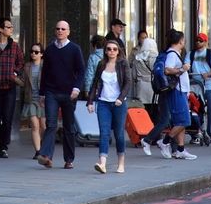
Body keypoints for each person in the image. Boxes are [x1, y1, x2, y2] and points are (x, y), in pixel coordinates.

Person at [37, 20, 85, 169]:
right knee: (50, 124)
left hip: (69, 93)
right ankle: (46, 156)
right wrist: (42, 93)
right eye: (57, 28)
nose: (60, 31)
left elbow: (81, 71)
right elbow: (44, 73)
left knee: (68, 127)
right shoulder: (50, 49)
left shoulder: (75, 49)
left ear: (68, 32)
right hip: (51, 92)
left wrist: (77, 88)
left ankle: (69, 159)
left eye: (63, 29)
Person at [88, 40, 131, 174]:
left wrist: (120, 98)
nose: (111, 51)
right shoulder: (101, 64)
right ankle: (102, 163)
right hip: (103, 103)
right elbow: (95, 83)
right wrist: (90, 101)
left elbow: (128, 83)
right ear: (105, 51)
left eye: (114, 49)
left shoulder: (123, 64)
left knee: (118, 134)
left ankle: (121, 163)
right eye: (109, 49)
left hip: (119, 104)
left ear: (118, 51)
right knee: (104, 133)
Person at [0, 17, 24, 158]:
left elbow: (21, 63)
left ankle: (3, 146)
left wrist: (14, 73)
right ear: (1, 29)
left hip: (10, 88)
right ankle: (0, 139)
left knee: (7, 119)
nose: (11, 29)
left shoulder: (15, 46)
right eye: (9, 27)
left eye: (12, 27)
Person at [158, 30, 197, 160]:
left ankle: (180, 149)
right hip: (177, 90)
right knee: (185, 120)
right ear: (180, 41)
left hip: (182, 90)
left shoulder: (175, 53)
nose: (184, 42)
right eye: (183, 39)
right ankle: (165, 142)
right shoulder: (172, 54)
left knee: (180, 120)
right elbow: (167, 69)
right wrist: (182, 69)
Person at [186, 32, 211, 143]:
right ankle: (196, 132)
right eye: (197, 40)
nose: (198, 42)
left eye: (200, 41)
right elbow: (186, 67)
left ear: (205, 42)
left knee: (210, 110)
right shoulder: (190, 54)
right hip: (195, 86)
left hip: (208, 85)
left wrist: (207, 74)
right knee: (194, 109)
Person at [21, 43, 45, 159]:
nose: (33, 54)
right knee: (35, 126)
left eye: (36, 52)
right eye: (32, 51)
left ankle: (44, 146)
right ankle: (38, 151)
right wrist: (13, 78)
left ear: (41, 54)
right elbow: (23, 82)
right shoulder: (27, 66)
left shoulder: (46, 66)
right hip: (31, 99)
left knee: (44, 126)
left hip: (44, 100)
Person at [131, 36, 158, 119]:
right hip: (153, 86)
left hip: (141, 86)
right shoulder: (155, 57)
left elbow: (134, 75)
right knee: (153, 110)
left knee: (143, 110)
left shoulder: (137, 57)